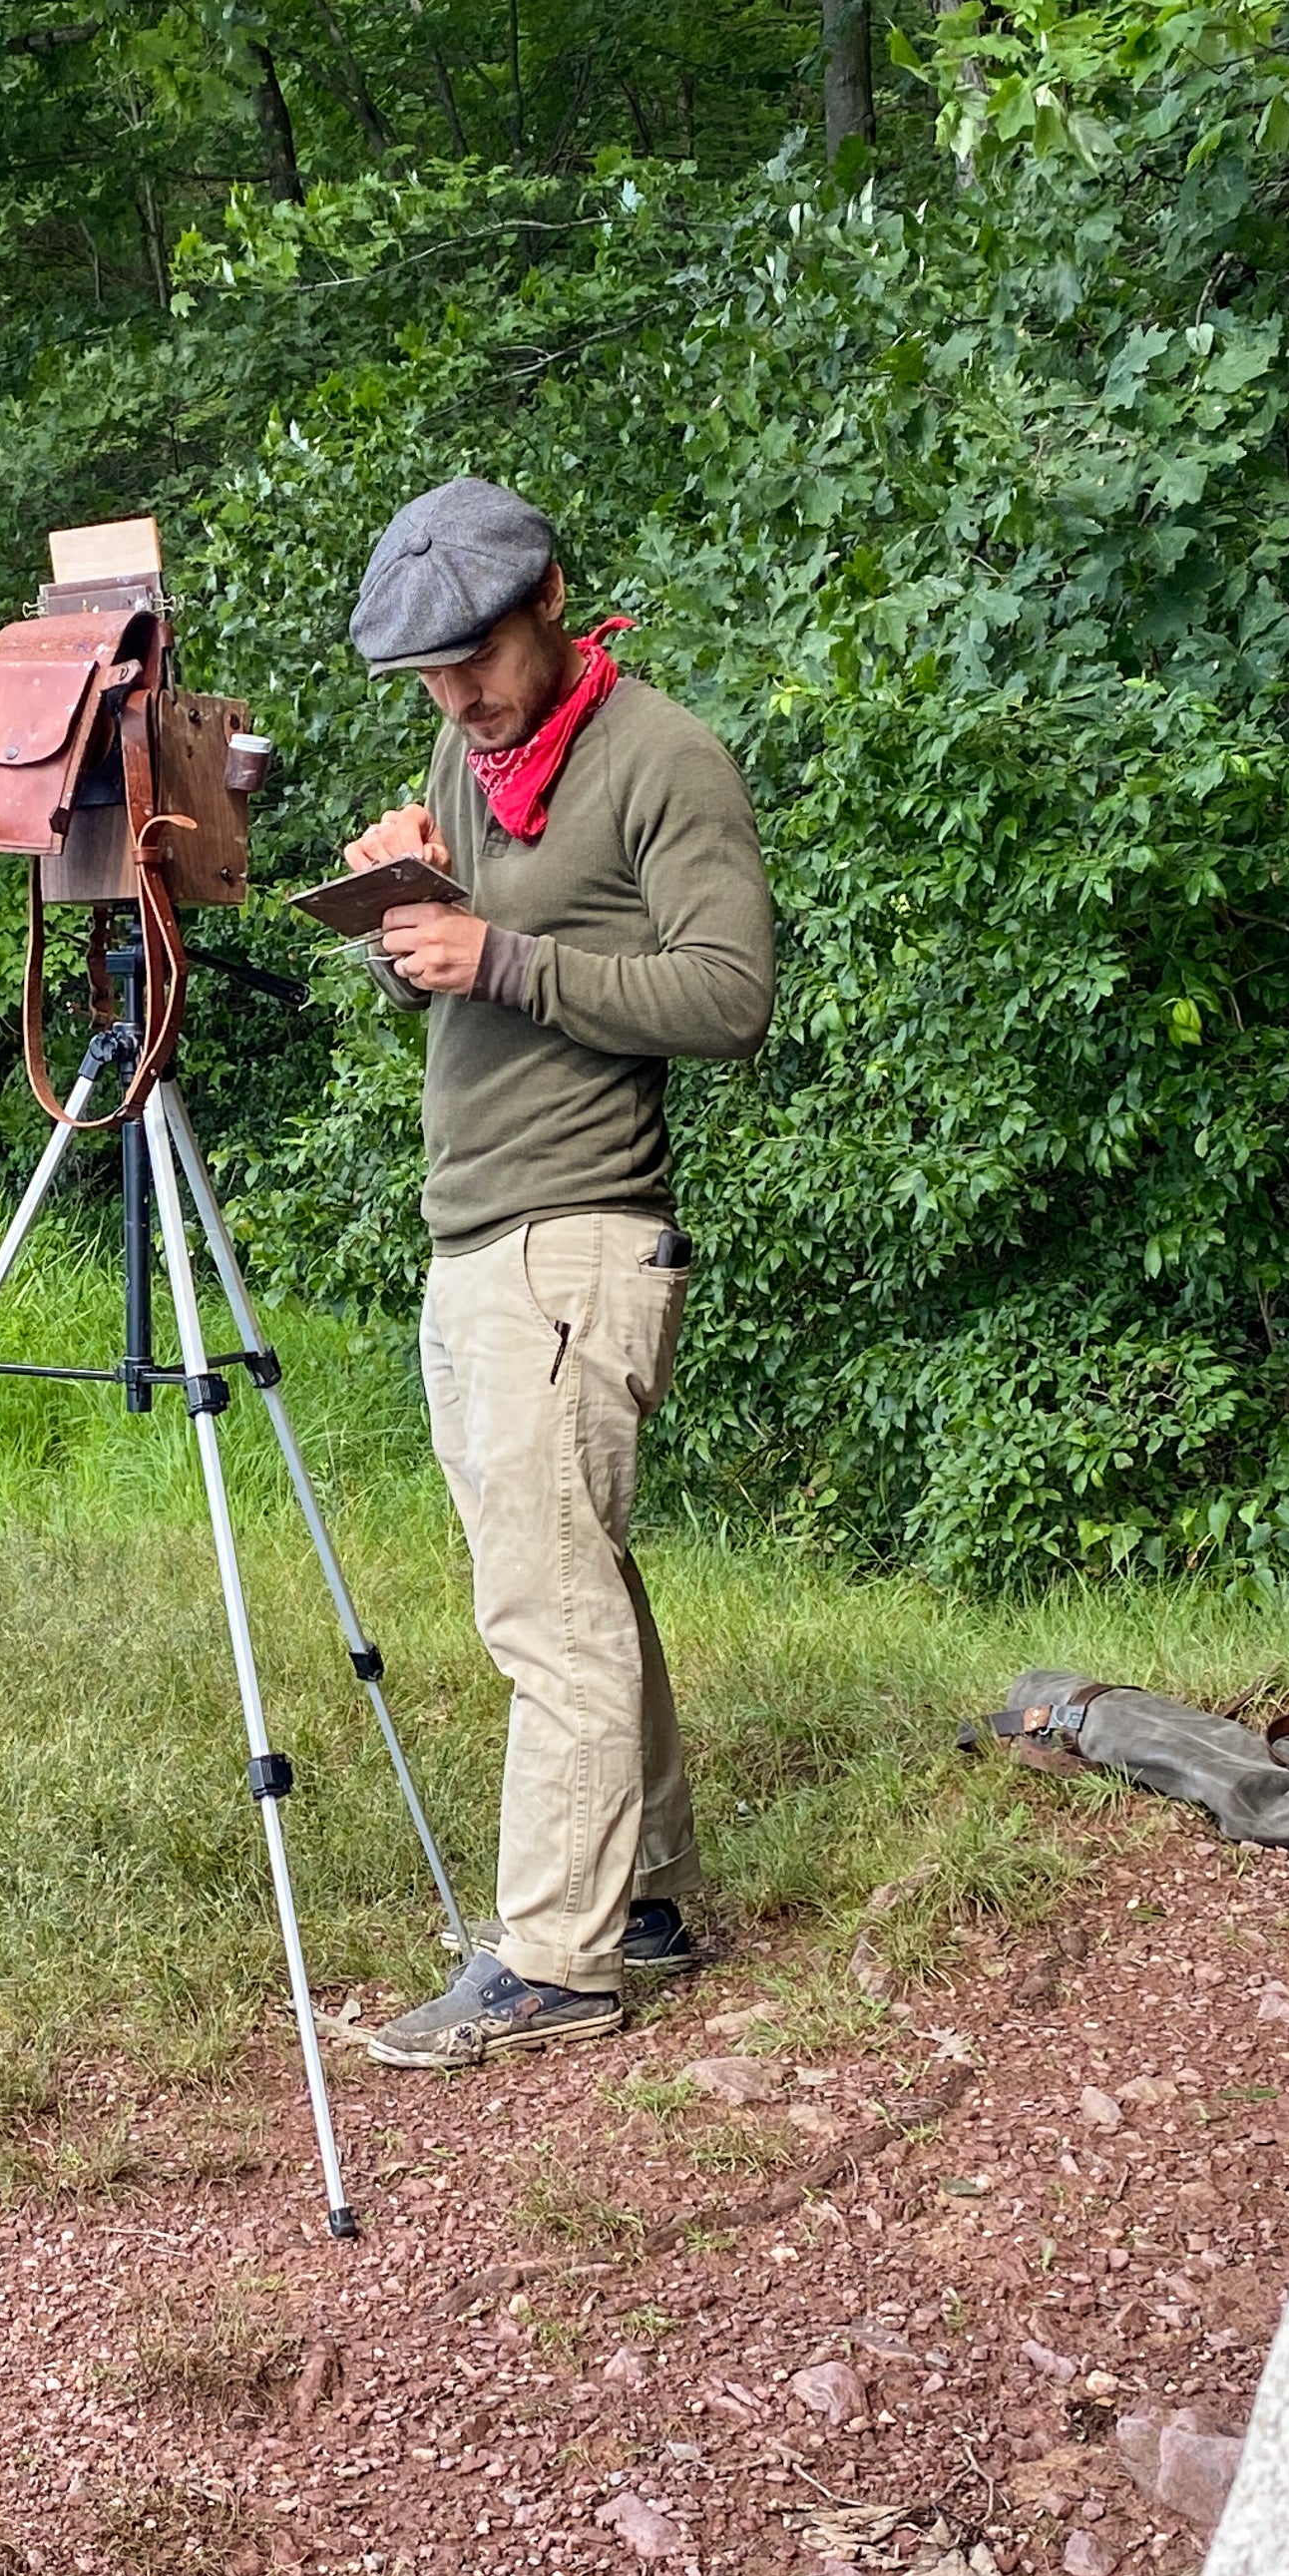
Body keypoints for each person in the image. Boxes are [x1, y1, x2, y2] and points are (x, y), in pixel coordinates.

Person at [339, 475, 775, 2069]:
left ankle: (557, 1961)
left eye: (472, 655)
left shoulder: (661, 756)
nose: (452, 693)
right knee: (577, 1573)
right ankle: (643, 1901)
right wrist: (409, 913)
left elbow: (729, 997)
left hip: (580, 1230)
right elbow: (458, 977)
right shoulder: (479, 759)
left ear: (552, 602)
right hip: (479, 1227)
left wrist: (499, 953)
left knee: (545, 1605)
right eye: (426, 673)